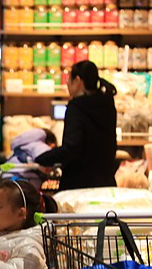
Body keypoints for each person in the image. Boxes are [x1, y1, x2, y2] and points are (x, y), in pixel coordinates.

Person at [35, 60, 118, 191]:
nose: (67, 83)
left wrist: (43, 158)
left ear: (78, 81)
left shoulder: (76, 107)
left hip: (78, 185)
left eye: (69, 79)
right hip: (105, 183)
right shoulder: (107, 104)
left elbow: (72, 148)